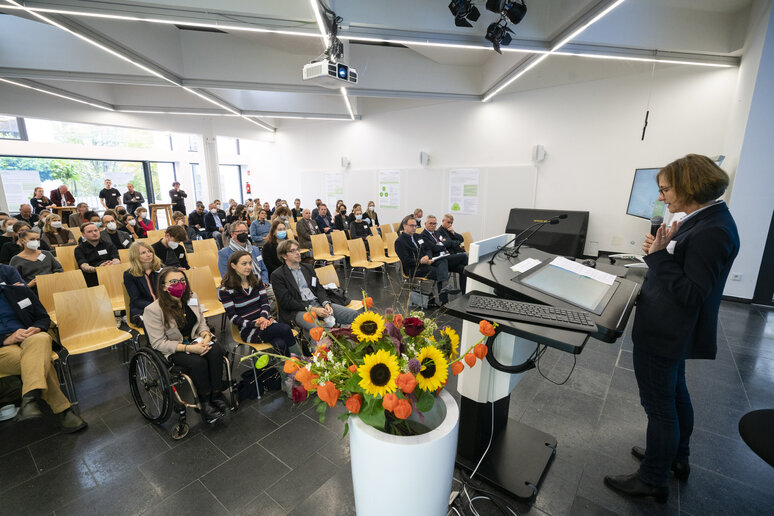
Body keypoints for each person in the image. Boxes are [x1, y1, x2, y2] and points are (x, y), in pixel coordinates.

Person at [604, 154, 740, 503]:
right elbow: (687, 269)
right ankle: (675, 458)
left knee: (660, 407)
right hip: (673, 330)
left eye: (665, 190)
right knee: (676, 395)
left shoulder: (713, 230)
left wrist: (661, 256)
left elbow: (693, 293)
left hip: (667, 331)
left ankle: (652, 478)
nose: (662, 197)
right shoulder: (705, 219)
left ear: (688, 186)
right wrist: (661, 251)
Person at [0, 281, 87, 432]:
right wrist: (6, 339)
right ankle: (62, 410)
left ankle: (29, 399)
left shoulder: (18, 291)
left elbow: (43, 317)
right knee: (39, 359)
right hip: (3, 348)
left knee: (41, 338)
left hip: (30, 338)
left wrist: (37, 328)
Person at [143, 267, 225, 423]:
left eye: (182, 281)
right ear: (163, 286)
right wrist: (189, 348)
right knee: (198, 362)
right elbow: (158, 342)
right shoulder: (153, 310)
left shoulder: (192, 297)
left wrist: (206, 336)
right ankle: (205, 402)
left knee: (216, 350)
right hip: (174, 347)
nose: (179, 284)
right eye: (173, 282)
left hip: (195, 339)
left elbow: (201, 322)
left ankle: (216, 393)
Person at [218, 251, 298, 356]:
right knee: (285, 329)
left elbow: (265, 303)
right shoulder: (225, 290)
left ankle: (288, 370)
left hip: (266, 322)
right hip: (248, 329)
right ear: (233, 265)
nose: (248, 267)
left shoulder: (256, 280)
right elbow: (233, 317)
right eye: (244, 264)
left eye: (250, 263)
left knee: (281, 344)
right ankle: (302, 361)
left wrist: (264, 317)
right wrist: (254, 323)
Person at [271, 239, 358, 333]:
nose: (298, 253)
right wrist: (313, 309)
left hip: (318, 303)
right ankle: (319, 347)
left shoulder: (307, 268)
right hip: (297, 310)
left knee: (354, 315)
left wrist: (326, 303)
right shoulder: (278, 275)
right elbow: (287, 301)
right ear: (284, 256)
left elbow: (319, 288)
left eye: (298, 249)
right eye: (293, 251)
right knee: (317, 330)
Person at [394, 215, 458, 305]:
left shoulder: (417, 236)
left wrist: (427, 256)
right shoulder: (400, 242)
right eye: (411, 226)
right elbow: (406, 260)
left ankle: (444, 291)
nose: (414, 228)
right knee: (440, 272)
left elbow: (427, 248)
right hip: (414, 268)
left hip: (425, 262)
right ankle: (444, 301)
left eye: (415, 226)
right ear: (404, 226)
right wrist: (421, 260)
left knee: (442, 261)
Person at [423, 215, 467, 293]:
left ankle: (465, 293)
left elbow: (451, 242)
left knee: (463, 268)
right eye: (431, 223)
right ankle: (474, 276)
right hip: (438, 258)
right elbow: (434, 248)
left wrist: (442, 243)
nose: (433, 226)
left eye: (434, 224)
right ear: (425, 223)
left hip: (446, 255)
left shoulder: (436, 232)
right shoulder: (425, 235)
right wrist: (443, 244)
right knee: (464, 257)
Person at [123, 241, 162, 326]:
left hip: (162, 307)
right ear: (135, 256)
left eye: (150, 251)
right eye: (143, 253)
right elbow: (136, 299)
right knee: (160, 321)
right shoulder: (129, 274)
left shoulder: (160, 268)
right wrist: (155, 307)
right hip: (143, 309)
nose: (148, 255)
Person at [74, 222, 120, 287]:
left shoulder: (109, 245)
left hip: (111, 272)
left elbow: (116, 259)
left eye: (96, 230)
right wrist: (98, 269)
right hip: (93, 277)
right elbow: (84, 266)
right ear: (83, 235)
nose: (94, 233)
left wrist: (110, 265)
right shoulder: (79, 249)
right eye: (90, 231)